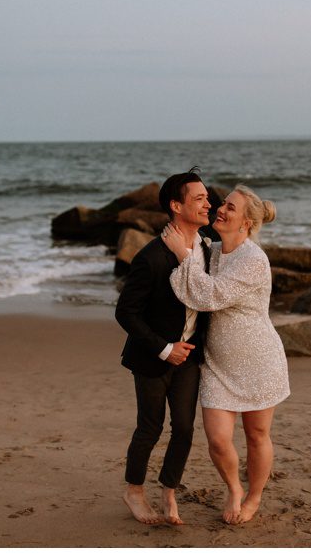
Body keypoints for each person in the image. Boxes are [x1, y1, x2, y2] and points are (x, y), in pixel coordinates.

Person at [163, 184, 289, 524]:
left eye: (230, 208)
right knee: (218, 441)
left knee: (257, 435)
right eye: (223, 204)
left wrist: (184, 257)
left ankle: (254, 496)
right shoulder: (211, 249)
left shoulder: (254, 260)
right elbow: (190, 289)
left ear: (246, 223)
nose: (221, 209)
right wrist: (187, 253)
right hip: (218, 364)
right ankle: (234, 487)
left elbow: (209, 296)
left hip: (259, 360)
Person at [113, 167, 213, 526]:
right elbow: (125, 312)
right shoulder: (151, 256)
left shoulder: (207, 250)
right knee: (150, 427)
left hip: (189, 356)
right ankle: (134, 492)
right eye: (199, 198)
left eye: (207, 197)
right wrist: (163, 348)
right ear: (176, 205)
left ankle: (169, 492)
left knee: (184, 428)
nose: (208, 204)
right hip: (153, 356)